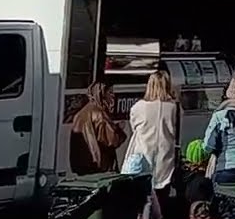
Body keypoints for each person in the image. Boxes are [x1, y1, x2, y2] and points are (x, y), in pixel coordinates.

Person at [126, 70, 179, 211]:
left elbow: (134, 128)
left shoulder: (138, 107)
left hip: (143, 155)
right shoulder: (173, 107)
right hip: (165, 157)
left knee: (141, 198)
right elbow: (175, 130)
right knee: (162, 197)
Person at [70, 81, 127, 175]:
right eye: (110, 92)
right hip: (99, 167)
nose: (113, 95)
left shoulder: (79, 114)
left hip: (82, 166)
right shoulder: (99, 114)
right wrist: (118, 129)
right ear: (102, 94)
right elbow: (112, 140)